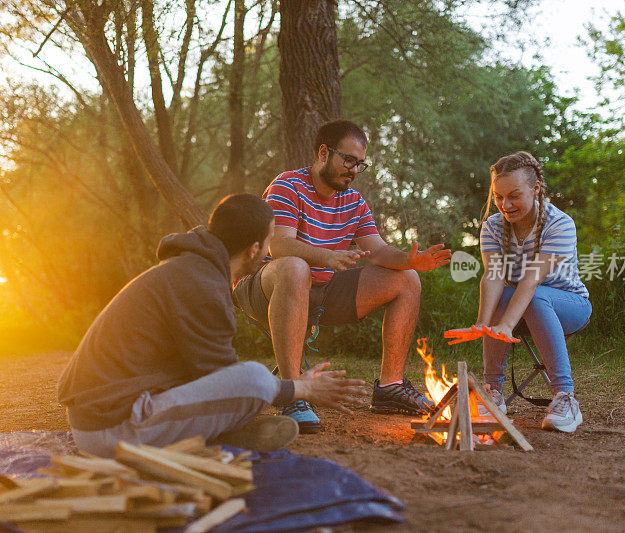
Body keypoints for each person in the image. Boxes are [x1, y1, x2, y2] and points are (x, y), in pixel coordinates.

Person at [58, 194, 366, 457]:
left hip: (104, 412)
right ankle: (222, 433)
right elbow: (229, 381)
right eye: (270, 241)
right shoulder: (201, 283)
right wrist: (303, 388)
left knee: (251, 384)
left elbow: (205, 377)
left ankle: (220, 432)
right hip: (110, 428)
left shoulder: (193, 268)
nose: (270, 251)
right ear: (252, 249)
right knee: (256, 378)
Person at [233, 120, 452, 433]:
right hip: (265, 286)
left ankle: (390, 387)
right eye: (348, 160)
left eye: (359, 164)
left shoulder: (354, 202)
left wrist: (410, 260)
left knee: (406, 279)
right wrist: (327, 256)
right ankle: (292, 390)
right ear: (324, 153)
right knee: (296, 267)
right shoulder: (287, 185)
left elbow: (377, 251)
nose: (353, 169)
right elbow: (279, 244)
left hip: (321, 290)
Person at [473, 151, 591, 433]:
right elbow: (493, 276)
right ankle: (493, 391)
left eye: (514, 195)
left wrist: (505, 325)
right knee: (504, 296)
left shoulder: (559, 223)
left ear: (536, 188)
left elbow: (531, 280)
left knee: (535, 296)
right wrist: (482, 323)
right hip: (523, 307)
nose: (505, 204)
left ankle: (565, 397)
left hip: (570, 306)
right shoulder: (491, 227)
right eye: (499, 197)